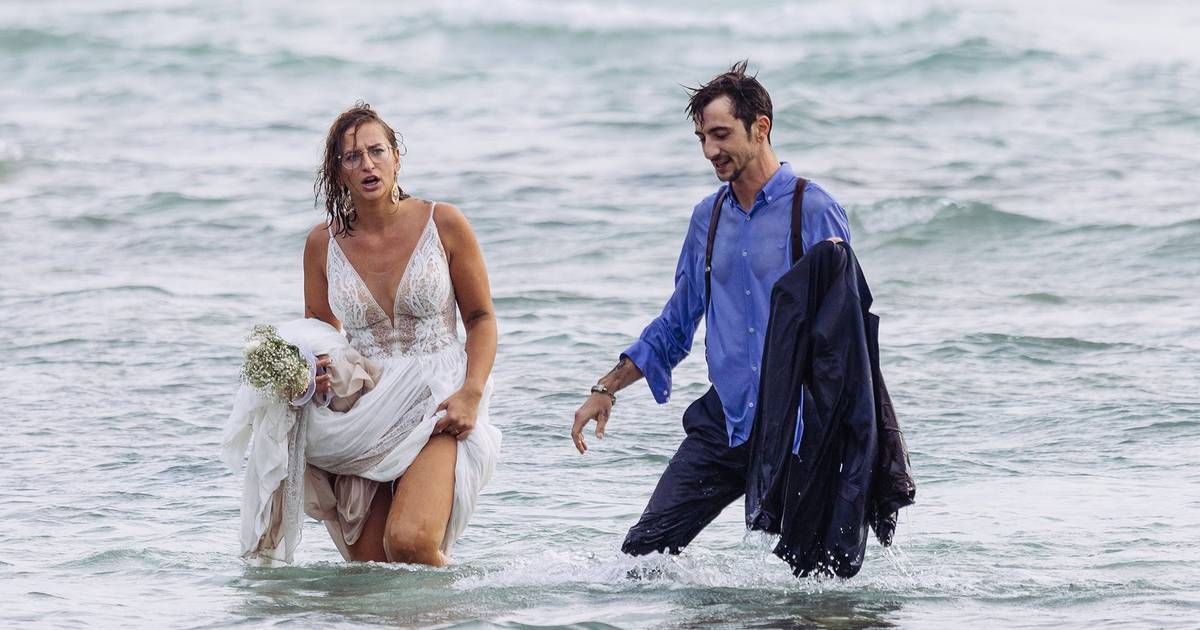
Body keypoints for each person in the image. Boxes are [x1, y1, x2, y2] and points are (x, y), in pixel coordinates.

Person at [570, 62, 852, 556]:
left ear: (760, 127)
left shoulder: (813, 209)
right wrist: (606, 388)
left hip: (800, 428)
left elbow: (845, 332)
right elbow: (678, 321)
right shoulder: (709, 217)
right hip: (727, 420)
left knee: (807, 585)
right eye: (702, 137)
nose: (709, 151)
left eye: (720, 135)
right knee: (643, 556)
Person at [301, 103, 501, 565]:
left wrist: (471, 391)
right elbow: (317, 331)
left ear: (396, 157)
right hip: (365, 406)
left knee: (409, 542)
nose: (367, 164)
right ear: (338, 172)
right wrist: (317, 372)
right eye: (352, 157)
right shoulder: (320, 244)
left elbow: (481, 318)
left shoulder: (444, 222)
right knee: (371, 571)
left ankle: (469, 613)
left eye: (376, 151)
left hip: (438, 396)